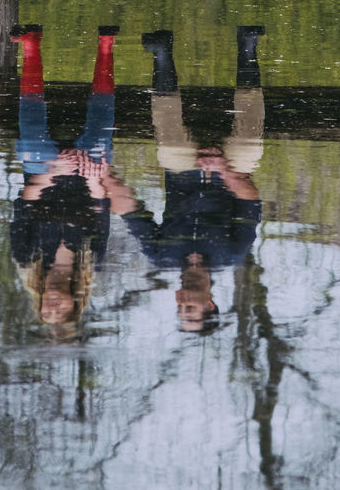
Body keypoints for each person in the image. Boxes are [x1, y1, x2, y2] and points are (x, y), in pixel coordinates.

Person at [108, 26, 266, 333]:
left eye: (180, 309)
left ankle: (162, 55)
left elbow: (129, 209)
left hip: (182, 172)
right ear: (210, 303)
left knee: (170, 149)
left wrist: (102, 174)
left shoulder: (161, 255)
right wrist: (222, 168)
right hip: (228, 174)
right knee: (250, 151)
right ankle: (247, 48)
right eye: (189, 309)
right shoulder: (232, 254)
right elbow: (250, 198)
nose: (182, 303)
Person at [9, 25, 121, 336]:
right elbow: (101, 207)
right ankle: (105, 48)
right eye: (61, 312)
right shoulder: (91, 263)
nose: (53, 308)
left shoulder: (26, 258)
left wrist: (53, 171)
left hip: (43, 177)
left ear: (41, 301)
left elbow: (24, 203)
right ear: (75, 302)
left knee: (32, 143)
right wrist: (94, 177)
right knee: (99, 140)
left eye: (47, 312)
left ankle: (31, 48)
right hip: (85, 179)